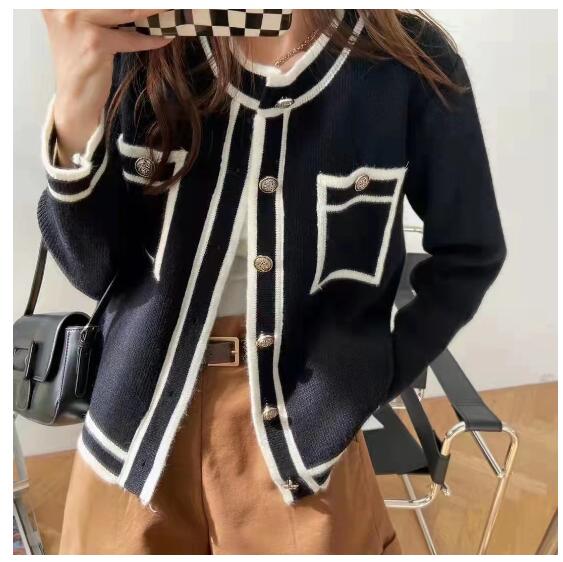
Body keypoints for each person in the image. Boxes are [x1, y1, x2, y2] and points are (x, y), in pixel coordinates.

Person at [38, 8, 506, 554]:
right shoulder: (143, 44)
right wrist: (75, 105)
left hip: (307, 440)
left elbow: (470, 254)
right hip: (129, 432)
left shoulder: (410, 63)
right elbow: (93, 270)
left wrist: (374, 374)